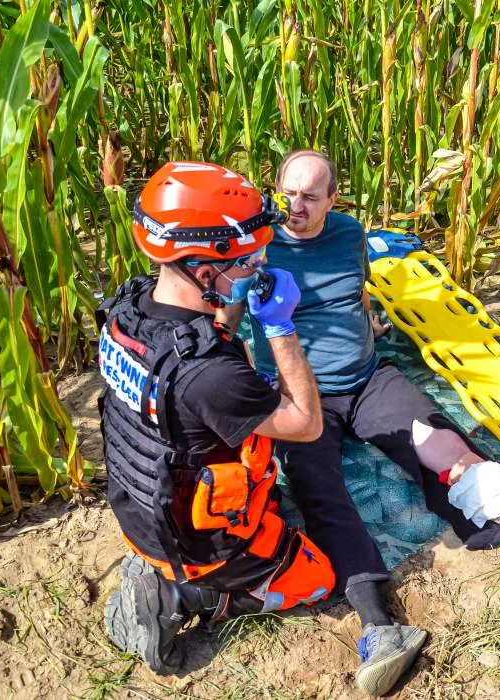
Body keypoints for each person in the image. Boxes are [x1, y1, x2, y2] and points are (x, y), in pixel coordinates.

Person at [240, 151, 500, 696]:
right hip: (299, 394)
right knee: (322, 493)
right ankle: (379, 626)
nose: (295, 207)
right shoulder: (257, 247)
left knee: (448, 448)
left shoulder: (350, 235)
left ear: (333, 200)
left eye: (310, 196)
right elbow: (226, 317)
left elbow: (357, 291)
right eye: (288, 194)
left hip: (366, 379)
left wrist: (369, 323)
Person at [100, 161, 335, 675]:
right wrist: (280, 327)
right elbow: (305, 423)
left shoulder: (130, 309)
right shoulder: (210, 376)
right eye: (249, 259)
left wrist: (234, 303)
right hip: (199, 542)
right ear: (206, 270)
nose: (258, 265)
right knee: (318, 578)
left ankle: (163, 567)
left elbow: (212, 340)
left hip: (140, 506)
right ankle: (190, 594)